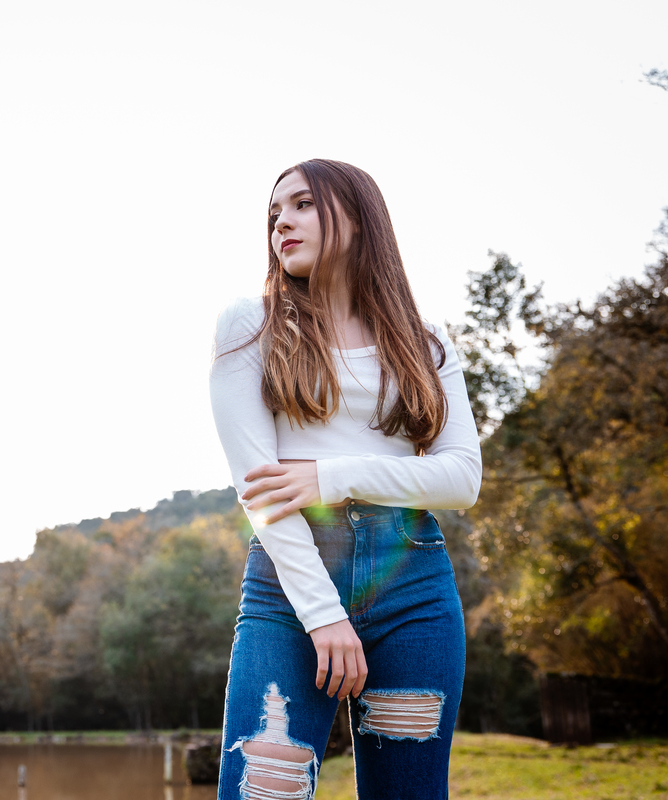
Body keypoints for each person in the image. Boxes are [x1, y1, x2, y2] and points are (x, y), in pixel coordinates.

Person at [208, 158, 481, 800]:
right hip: (288, 587)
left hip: (413, 586)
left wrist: (330, 478)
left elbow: (461, 478)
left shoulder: (426, 341)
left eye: (302, 204)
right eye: (274, 213)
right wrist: (324, 614)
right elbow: (262, 493)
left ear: (358, 217)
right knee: (264, 788)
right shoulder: (250, 326)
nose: (282, 223)